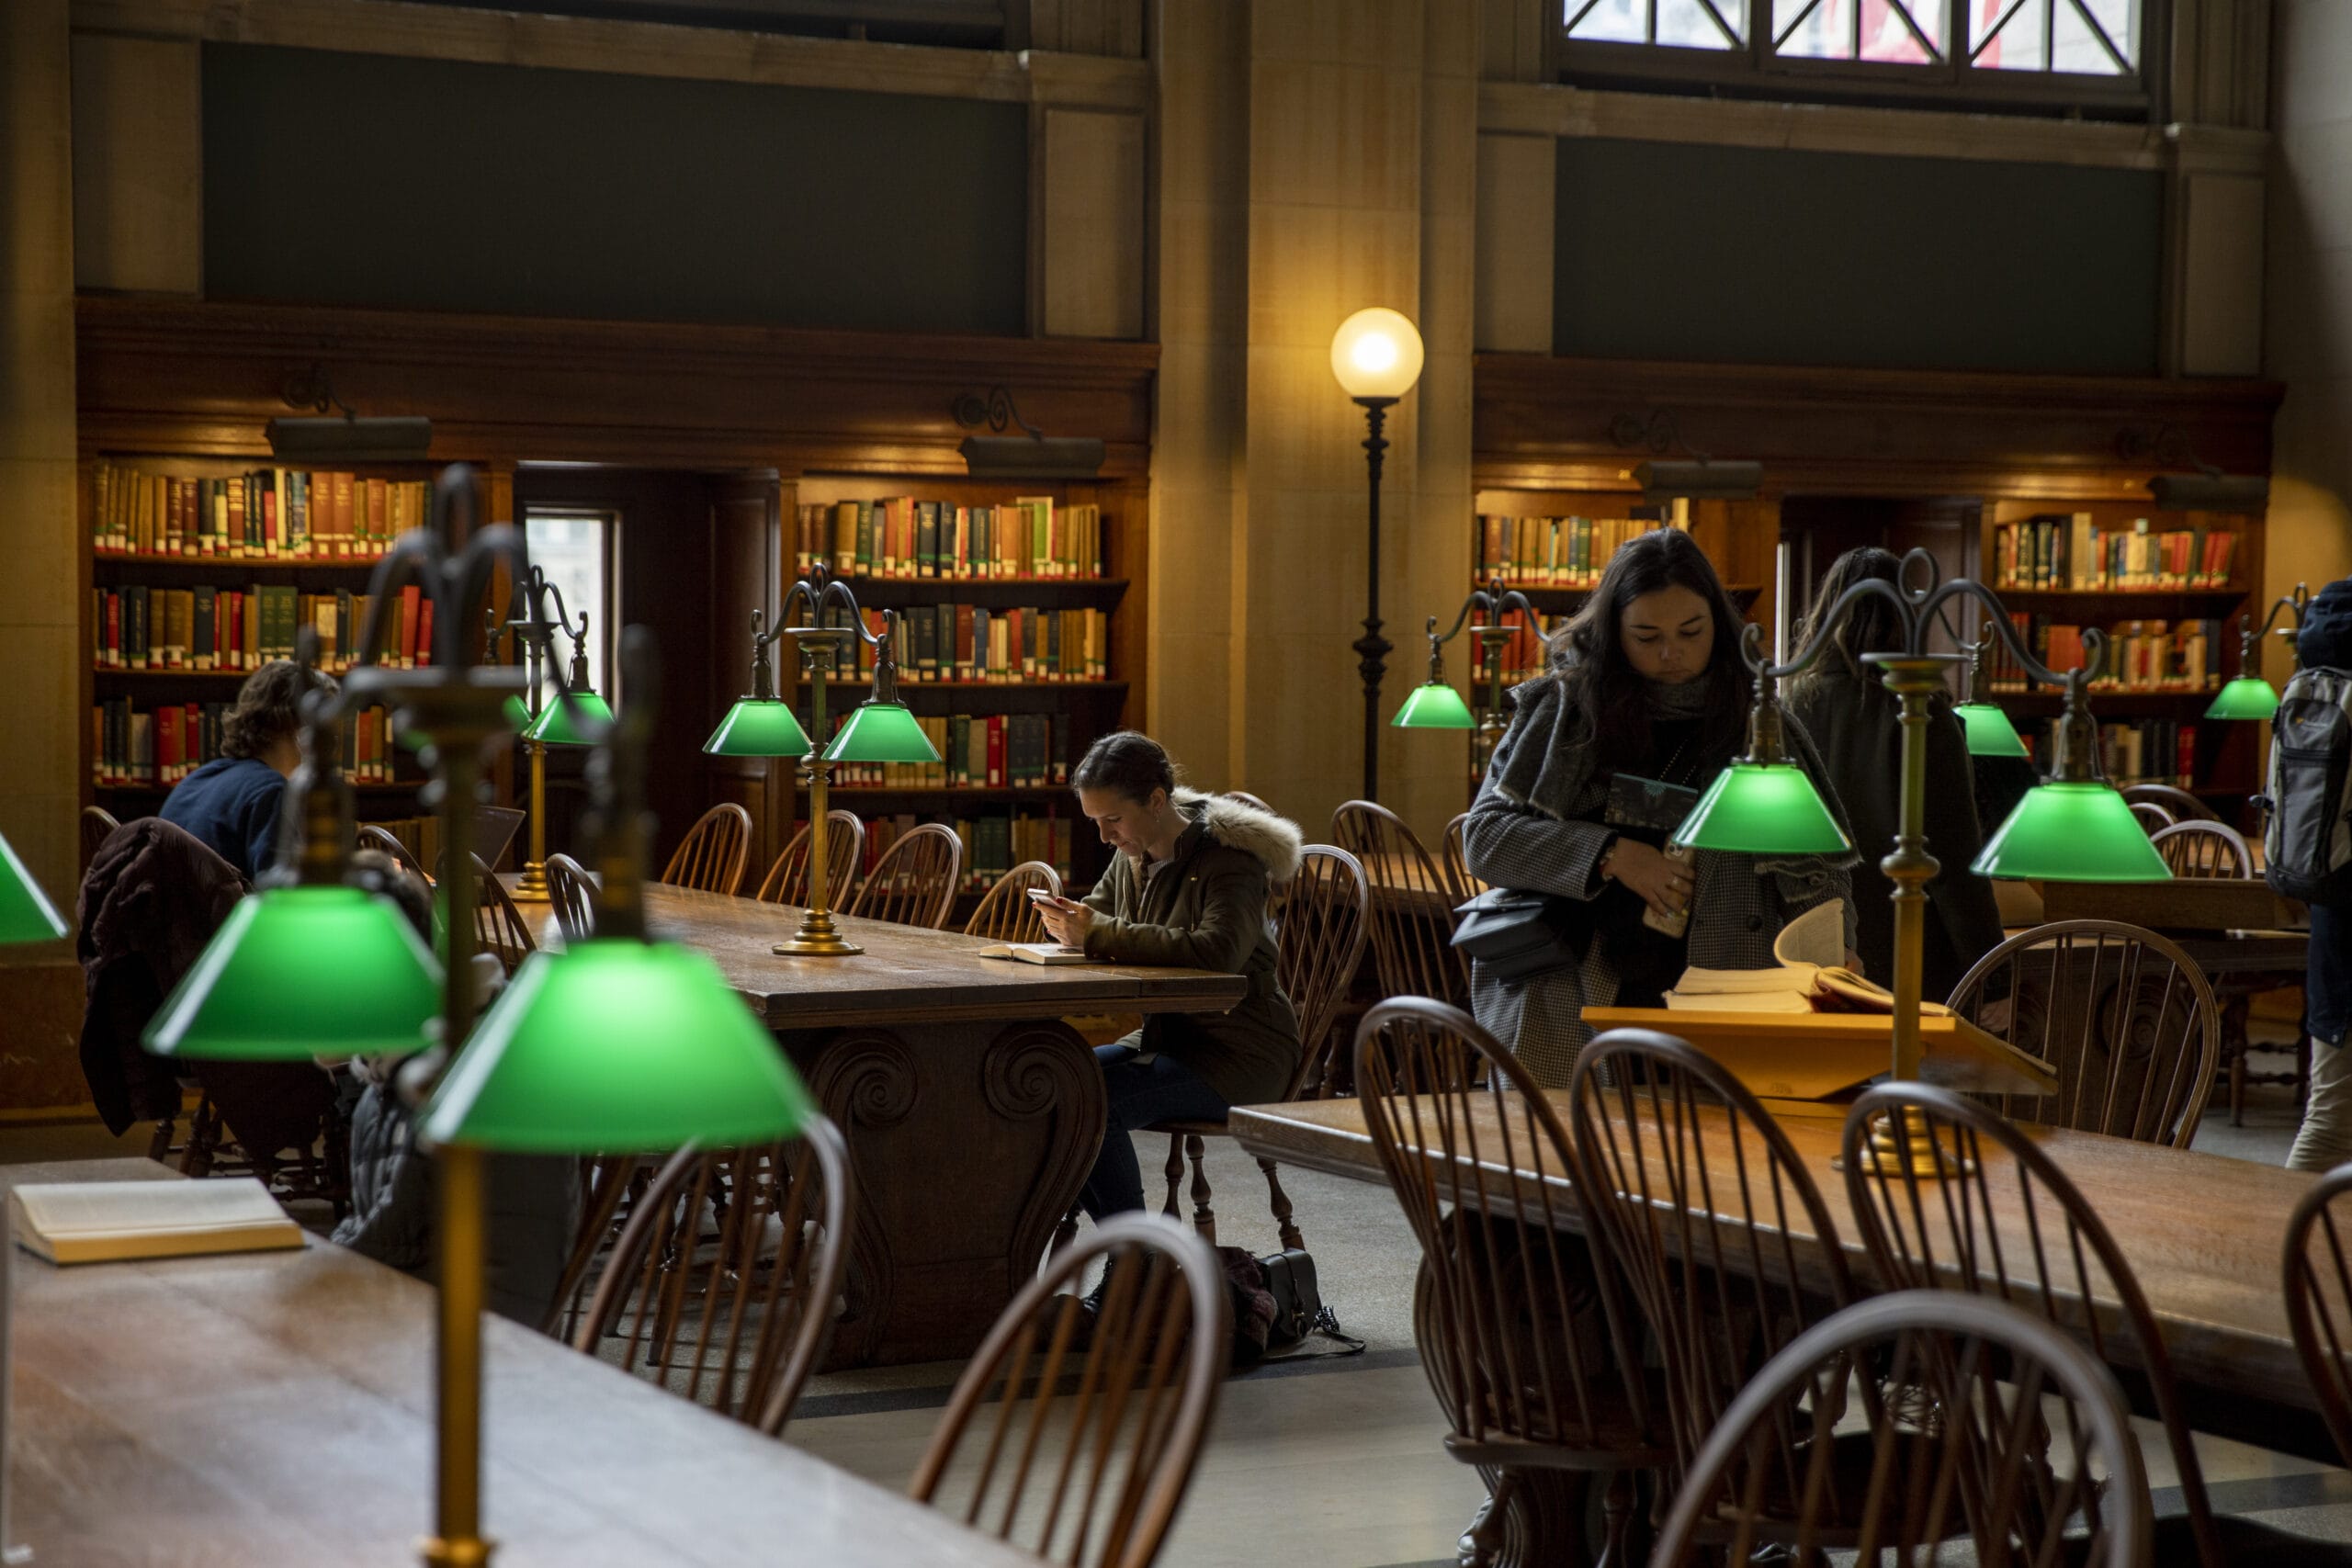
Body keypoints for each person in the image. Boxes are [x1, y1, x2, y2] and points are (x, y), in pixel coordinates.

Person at [1461, 527, 1857, 1087]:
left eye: (1690, 632)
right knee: (1575, 1160)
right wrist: (1611, 854)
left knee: (1714, 1163)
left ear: (1718, 627)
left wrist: (1839, 956)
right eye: (1646, 636)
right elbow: (1485, 838)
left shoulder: (1763, 724)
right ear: (1611, 632)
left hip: (1732, 986)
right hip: (1577, 989)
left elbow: (1817, 868)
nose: (1671, 653)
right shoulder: (1564, 712)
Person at [1034, 732, 1303, 1221]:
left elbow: (1217, 952)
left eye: (1112, 819)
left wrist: (1096, 933)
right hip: (1168, 1035)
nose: (1104, 836)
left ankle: (1134, 1258)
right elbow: (1100, 916)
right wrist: (1068, 922)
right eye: (1095, 821)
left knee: (1097, 1104)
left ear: (1157, 801)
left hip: (1240, 1050)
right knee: (1051, 1079)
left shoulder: (1230, 859)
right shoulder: (1132, 853)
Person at [331, 850, 580, 1325]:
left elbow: (387, 1237)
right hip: (423, 1305)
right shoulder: (384, 1075)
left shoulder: (435, 1077)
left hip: (483, 1340)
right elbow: (384, 1238)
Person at [1784, 547, 2006, 1001]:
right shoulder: (1919, 713)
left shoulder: (1789, 708)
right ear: (1908, 618)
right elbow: (1953, 858)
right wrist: (1995, 974)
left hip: (1813, 949)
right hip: (1912, 953)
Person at [161, 659, 336, 883]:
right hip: (226, 918)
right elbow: (285, 899)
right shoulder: (271, 793)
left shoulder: (197, 779)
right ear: (301, 727)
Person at [2289, 580, 2352, 1172]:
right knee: (2331, 1127)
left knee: (2329, 1117)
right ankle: (2277, 1255)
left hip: (2335, 926)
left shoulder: (2324, 682)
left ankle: (2286, 1253)